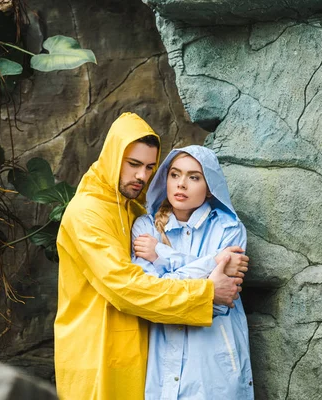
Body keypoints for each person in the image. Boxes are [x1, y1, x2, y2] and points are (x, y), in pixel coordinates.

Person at [54, 113, 248, 400]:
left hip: (144, 354)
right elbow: (127, 287)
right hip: (96, 352)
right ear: (112, 157)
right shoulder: (87, 213)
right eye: (133, 164)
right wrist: (206, 289)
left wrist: (165, 257)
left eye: (149, 167)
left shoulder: (134, 212)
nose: (142, 176)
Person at [132, 145, 254, 399]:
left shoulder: (229, 229)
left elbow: (221, 301)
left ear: (210, 187)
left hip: (213, 365)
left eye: (194, 177)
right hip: (160, 361)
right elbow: (149, 293)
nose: (181, 184)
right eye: (174, 175)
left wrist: (161, 256)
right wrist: (212, 264)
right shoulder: (145, 227)